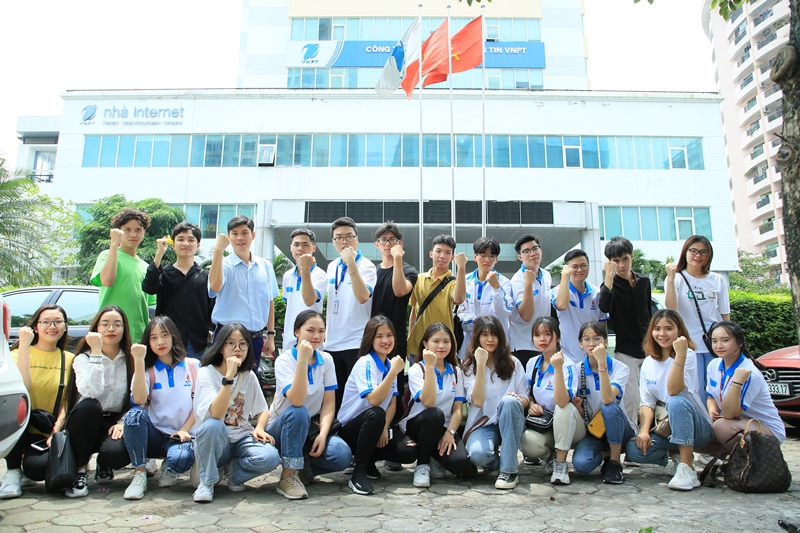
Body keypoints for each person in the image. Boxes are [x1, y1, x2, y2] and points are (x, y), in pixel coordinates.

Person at [624, 310, 713, 491]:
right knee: (633, 450)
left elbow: (674, 390)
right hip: (667, 429)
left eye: (669, 328)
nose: (662, 334)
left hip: (697, 428)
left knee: (676, 401)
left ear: (679, 331)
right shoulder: (649, 362)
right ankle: (677, 456)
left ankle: (687, 469)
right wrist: (644, 432)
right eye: (657, 329)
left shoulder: (688, 355)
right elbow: (647, 403)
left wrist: (679, 355)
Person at [268, 310, 352, 500]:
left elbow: (329, 402)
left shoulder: (326, 359)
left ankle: (303, 468)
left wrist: (323, 434)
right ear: (296, 332)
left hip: (310, 428)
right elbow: (297, 400)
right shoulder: (284, 360)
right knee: (298, 412)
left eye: (321, 331)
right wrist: (303, 360)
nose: (316, 336)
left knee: (342, 455)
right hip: (282, 428)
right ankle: (288, 477)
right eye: (310, 330)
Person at [192, 323, 281, 502]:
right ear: (221, 347)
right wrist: (229, 377)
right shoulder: (205, 373)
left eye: (243, 344)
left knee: (271, 457)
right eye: (231, 343)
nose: (237, 349)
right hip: (217, 441)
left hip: (241, 437)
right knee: (212, 425)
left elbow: (262, 409)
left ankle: (234, 474)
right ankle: (207, 482)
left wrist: (260, 428)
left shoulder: (249, 375)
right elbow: (216, 413)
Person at [337, 316, 418, 495]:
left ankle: (369, 461)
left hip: (376, 423)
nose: (385, 340)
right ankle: (358, 472)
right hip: (351, 430)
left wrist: (384, 428)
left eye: (389, 335)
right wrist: (393, 372)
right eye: (379, 336)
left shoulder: (390, 364)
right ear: (370, 339)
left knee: (409, 451)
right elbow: (374, 400)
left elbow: (392, 403)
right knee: (376, 413)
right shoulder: (365, 363)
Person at [0, 305, 74, 499]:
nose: (52, 326)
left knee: (37, 468)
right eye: (46, 322)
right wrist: (24, 346)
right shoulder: (16, 355)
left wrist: (56, 430)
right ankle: (13, 472)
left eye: (58, 322)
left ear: (65, 327)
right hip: (20, 428)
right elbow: (23, 386)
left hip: (47, 430)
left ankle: (26, 470)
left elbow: (68, 401)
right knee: (13, 405)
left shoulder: (69, 359)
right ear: (35, 327)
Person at [62, 306, 136, 498]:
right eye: (105, 324)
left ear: (124, 329)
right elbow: (90, 392)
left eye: (117, 324)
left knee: (117, 455)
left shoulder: (131, 360)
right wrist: (96, 352)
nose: (111, 329)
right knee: (89, 405)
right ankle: (80, 471)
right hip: (85, 421)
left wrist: (123, 422)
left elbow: (138, 398)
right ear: (96, 328)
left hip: (114, 422)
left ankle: (104, 462)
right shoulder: (83, 358)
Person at [122, 316, 198, 500]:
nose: (160, 342)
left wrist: (184, 429)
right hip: (154, 435)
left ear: (173, 336)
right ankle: (140, 473)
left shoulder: (193, 366)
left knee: (180, 459)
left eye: (164, 335)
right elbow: (139, 400)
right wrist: (139, 361)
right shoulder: (148, 369)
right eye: (154, 338)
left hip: (181, 436)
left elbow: (200, 405)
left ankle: (170, 467)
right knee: (134, 415)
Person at [398, 323, 469, 487]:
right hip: (419, 424)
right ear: (425, 344)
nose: (441, 346)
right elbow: (428, 402)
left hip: (444, 427)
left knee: (459, 463)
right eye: (436, 341)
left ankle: (433, 455)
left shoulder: (456, 372)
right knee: (435, 414)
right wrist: (430, 367)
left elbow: (458, 409)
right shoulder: (417, 370)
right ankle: (422, 465)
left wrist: (450, 433)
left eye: (446, 341)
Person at [462, 316, 528, 490]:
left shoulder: (513, 363)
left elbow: (525, 399)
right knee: (477, 454)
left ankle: (509, 471)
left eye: (494, 335)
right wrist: (480, 364)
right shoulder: (468, 367)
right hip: (483, 424)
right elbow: (477, 401)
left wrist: (515, 400)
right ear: (477, 338)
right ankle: (495, 463)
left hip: (510, 423)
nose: (490, 339)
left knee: (509, 401)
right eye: (484, 334)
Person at [209, 216, 279, 371]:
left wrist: (271, 336)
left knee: (250, 380)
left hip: (255, 338)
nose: (240, 237)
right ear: (229, 237)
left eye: (244, 233)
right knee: (225, 379)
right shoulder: (224, 264)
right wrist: (218, 251)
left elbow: (269, 301)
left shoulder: (265, 266)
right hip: (227, 338)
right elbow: (214, 287)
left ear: (253, 235)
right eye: (234, 233)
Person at [570, 322, 636, 484]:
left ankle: (615, 462)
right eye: (586, 339)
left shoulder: (620, 368)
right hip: (595, 430)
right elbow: (583, 412)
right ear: (580, 344)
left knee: (608, 408)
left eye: (596, 338)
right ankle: (607, 453)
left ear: (606, 342)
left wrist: (601, 364)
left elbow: (607, 399)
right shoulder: (576, 370)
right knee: (581, 464)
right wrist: (578, 408)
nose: (591, 343)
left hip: (620, 428)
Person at [665, 235, 730, 398]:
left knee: (719, 390)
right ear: (685, 252)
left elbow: (724, 315)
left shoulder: (717, 280)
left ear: (709, 255)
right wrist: (671, 279)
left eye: (703, 252)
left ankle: (717, 416)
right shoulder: (676, 279)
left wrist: (729, 342)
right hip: (689, 345)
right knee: (697, 391)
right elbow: (671, 308)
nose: (698, 255)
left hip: (715, 344)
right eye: (693, 251)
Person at [597, 236, 652, 429]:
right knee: (630, 397)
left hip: (650, 348)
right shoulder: (609, 286)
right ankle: (632, 434)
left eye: (625, 259)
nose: (621, 265)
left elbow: (648, 312)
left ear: (632, 256)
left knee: (652, 392)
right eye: (616, 261)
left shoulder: (644, 281)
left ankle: (652, 432)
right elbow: (604, 307)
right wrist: (608, 276)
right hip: (626, 349)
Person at [706, 321, 786, 450]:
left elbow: (730, 413)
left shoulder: (750, 373)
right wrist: (712, 410)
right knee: (703, 424)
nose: (719, 346)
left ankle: (751, 459)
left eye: (725, 340)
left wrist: (737, 383)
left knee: (721, 426)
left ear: (740, 342)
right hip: (736, 423)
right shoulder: (713, 365)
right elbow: (711, 397)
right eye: (714, 341)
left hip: (766, 429)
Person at [324, 217, 377, 410]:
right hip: (332, 343)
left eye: (349, 236)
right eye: (339, 237)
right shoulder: (332, 266)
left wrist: (351, 264)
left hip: (356, 342)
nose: (344, 241)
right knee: (334, 397)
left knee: (354, 399)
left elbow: (363, 297)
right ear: (333, 242)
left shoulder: (367, 266)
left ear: (357, 239)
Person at [519, 317, 580, 485]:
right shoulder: (532, 363)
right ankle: (550, 457)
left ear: (557, 337)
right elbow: (527, 392)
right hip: (545, 424)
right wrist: (532, 405)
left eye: (547, 334)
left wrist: (558, 369)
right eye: (537, 335)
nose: (542, 339)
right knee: (526, 442)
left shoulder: (567, 365)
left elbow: (563, 401)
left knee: (563, 409)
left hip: (571, 425)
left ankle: (561, 464)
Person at [142, 222, 215, 359]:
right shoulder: (164, 274)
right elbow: (148, 287)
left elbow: (212, 306)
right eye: (180, 239)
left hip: (196, 341)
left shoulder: (205, 276)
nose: (186, 243)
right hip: (168, 340)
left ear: (198, 245)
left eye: (191, 240)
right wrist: (159, 254)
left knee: (194, 372)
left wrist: (209, 330)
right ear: (173, 244)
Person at [91, 207, 156, 344]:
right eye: (127, 230)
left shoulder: (145, 266)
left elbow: (146, 303)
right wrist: (114, 244)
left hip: (138, 336)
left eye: (138, 230)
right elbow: (107, 281)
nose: (133, 234)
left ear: (144, 232)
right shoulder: (107, 255)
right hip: (111, 335)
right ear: (119, 231)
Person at [407, 235, 467, 360]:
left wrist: (461, 267)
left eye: (447, 252)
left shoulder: (453, 283)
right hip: (418, 346)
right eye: (438, 251)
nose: (442, 256)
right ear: (431, 254)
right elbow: (414, 311)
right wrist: (409, 340)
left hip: (443, 347)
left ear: (452, 257)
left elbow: (458, 299)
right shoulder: (419, 279)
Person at [457, 237, 515, 360]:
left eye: (491, 256)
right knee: (471, 370)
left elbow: (504, 312)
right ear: (475, 257)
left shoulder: (504, 282)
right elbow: (460, 311)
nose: (487, 260)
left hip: (495, 341)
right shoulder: (465, 280)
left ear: (496, 259)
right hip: (471, 340)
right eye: (483, 255)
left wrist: (496, 288)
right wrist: (475, 321)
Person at [553, 249, 609, 364]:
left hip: (594, 357)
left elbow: (602, 324)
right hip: (569, 357)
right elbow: (562, 305)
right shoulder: (558, 291)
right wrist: (564, 276)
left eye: (584, 265)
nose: (580, 269)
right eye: (575, 266)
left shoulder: (597, 293)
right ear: (567, 268)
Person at [508, 234, 552, 371]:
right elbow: (526, 316)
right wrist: (528, 283)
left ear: (541, 251)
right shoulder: (517, 280)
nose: (532, 253)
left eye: (535, 249)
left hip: (544, 342)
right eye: (526, 251)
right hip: (524, 344)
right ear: (520, 257)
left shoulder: (546, 275)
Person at [281, 229, 328, 353]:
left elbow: (309, 300)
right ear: (291, 247)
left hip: (311, 339)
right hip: (290, 340)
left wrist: (305, 269)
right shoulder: (287, 275)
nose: (300, 248)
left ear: (314, 248)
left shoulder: (320, 275)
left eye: (305, 244)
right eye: (296, 244)